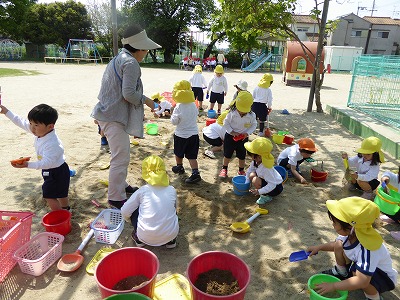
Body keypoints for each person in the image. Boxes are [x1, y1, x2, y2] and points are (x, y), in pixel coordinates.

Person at [91, 24, 160, 209]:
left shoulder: (118, 58)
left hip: (106, 112)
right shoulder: (130, 63)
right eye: (145, 49)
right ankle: (115, 197)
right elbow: (128, 93)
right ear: (139, 48)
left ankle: (121, 185)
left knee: (120, 155)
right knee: (120, 158)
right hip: (113, 116)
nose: (146, 52)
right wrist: (149, 102)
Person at [306, 197, 397, 300]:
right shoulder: (352, 234)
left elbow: (362, 280)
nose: (332, 225)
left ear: (350, 227)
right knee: (338, 244)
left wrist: (334, 286)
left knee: (358, 275)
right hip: (368, 270)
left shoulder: (368, 248)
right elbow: (335, 245)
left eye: (335, 223)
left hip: (384, 278)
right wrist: (319, 247)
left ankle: (374, 298)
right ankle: (341, 272)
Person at [0, 104, 71, 211]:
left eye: (36, 125)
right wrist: (6, 112)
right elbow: (21, 122)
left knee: (49, 196)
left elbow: (46, 163)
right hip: (55, 170)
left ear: (50, 126)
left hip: (55, 171)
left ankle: (60, 215)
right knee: (61, 192)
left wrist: (27, 165)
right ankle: (66, 209)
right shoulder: (41, 131)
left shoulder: (52, 144)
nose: (32, 128)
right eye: (31, 123)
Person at [121, 155, 179, 248]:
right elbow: (175, 208)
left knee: (135, 208)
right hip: (169, 235)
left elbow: (125, 211)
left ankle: (138, 238)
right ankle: (170, 241)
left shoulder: (143, 190)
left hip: (144, 236)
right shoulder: (171, 189)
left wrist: (130, 220)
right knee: (171, 208)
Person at [219, 91, 257, 178]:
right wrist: (232, 132)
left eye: (244, 111)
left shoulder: (252, 115)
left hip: (243, 138)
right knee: (227, 154)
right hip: (230, 136)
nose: (242, 112)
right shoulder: (231, 113)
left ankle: (241, 170)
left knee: (242, 155)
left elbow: (254, 125)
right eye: (240, 109)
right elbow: (225, 123)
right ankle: (224, 169)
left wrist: (247, 133)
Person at [170, 80, 201, 184]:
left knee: (178, 153)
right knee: (192, 156)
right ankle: (195, 173)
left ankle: (180, 167)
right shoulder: (193, 105)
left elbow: (174, 122)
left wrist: (172, 114)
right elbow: (195, 115)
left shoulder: (178, 107)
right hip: (193, 134)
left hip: (181, 135)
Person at [244, 138, 283, 204]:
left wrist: (259, 191)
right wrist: (246, 181)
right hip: (266, 179)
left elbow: (272, 184)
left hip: (276, 188)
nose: (250, 157)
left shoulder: (266, 169)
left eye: (251, 155)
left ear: (259, 157)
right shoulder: (256, 161)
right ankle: (261, 188)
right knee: (251, 175)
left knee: (255, 180)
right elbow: (250, 170)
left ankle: (266, 196)